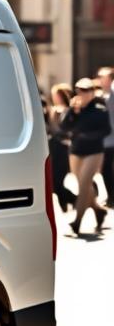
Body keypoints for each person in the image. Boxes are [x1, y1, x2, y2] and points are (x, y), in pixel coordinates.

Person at [59, 77, 112, 236]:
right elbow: (64, 127)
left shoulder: (100, 108)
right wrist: (72, 111)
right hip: (76, 151)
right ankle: (98, 211)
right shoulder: (75, 107)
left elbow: (106, 130)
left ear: (92, 92)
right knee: (85, 186)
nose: (83, 93)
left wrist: (88, 136)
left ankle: (77, 222)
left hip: (94, 151)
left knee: (84, 185)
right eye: (80, 90)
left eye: (87, 90)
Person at [47, 83, 75, 212]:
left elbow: (68, 131)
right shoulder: (52, 110)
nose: (54, 98)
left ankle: (76, 200)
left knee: (56, 181)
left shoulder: (68, 111)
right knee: (53, 182)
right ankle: (69, 202)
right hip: (53, 149)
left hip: (63, 150)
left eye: (56, 95)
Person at [97, 66, 114, 208]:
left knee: (108, 170)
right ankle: (110, 197)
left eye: (104, 77)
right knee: (105, 170)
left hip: (111, 140)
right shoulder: (100, 97)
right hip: (104, 141)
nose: (101, 80)